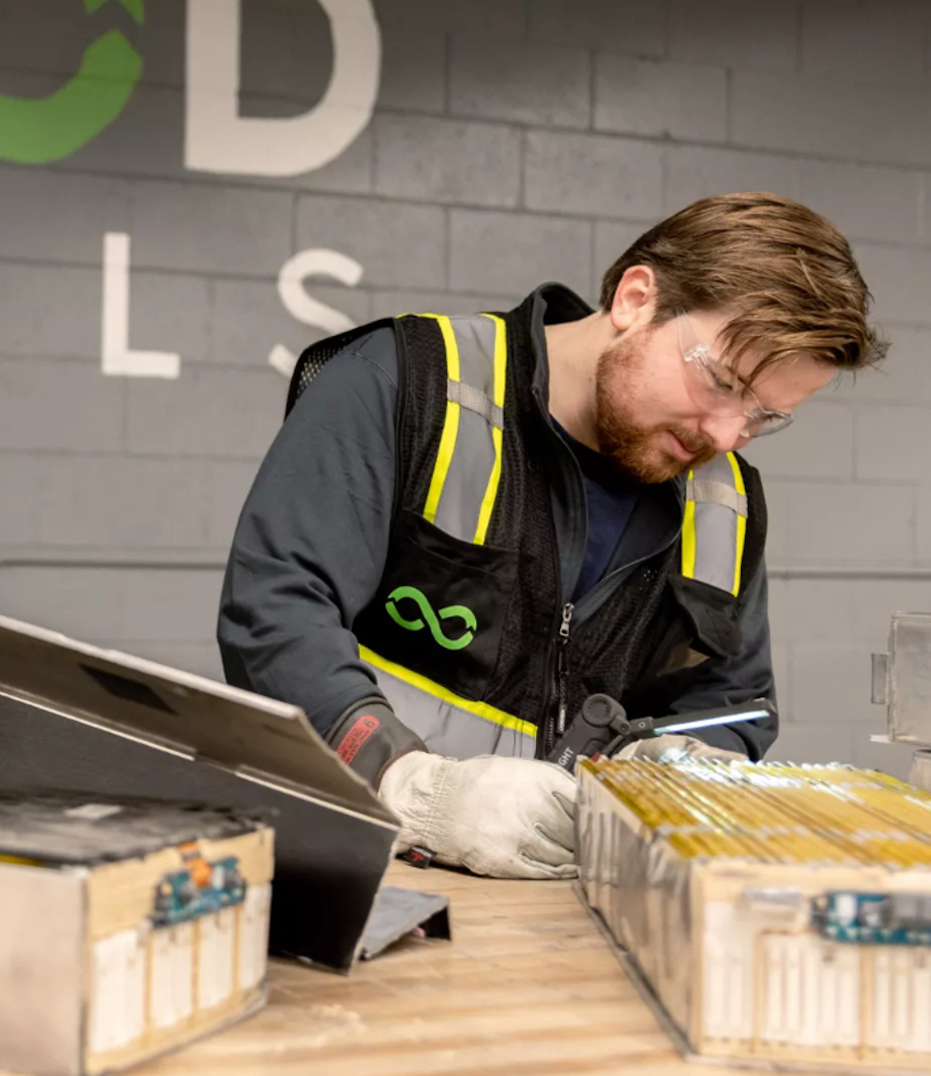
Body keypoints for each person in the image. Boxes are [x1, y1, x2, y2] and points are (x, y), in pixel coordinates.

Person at [217, 193, 884, 880]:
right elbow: (277, 608)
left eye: (762, 417)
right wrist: (408, 785)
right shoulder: (407, 382)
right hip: (362, 863)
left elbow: (733, 704)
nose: (724, 435)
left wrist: (681, 773)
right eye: (720, 381)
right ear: (635, 298)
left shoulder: (728, 501)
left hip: (565, 910)